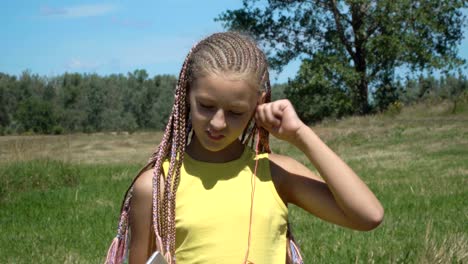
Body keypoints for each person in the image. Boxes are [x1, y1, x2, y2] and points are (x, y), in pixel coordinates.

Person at [105, 32, 384, 264]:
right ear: (186, 93)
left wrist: (301, 135)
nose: (218, 123)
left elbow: (368, 216)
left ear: (257, 104)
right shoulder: (158, 187)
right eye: (206, 106)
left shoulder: (274, 173)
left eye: (236, 112)